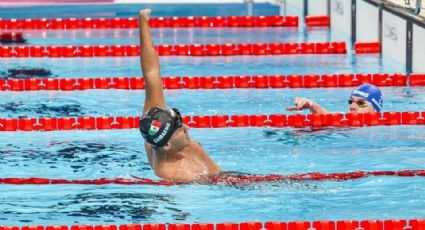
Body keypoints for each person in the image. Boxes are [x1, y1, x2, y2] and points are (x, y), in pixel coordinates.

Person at [137, 9, 221, 183]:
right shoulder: (173, 175)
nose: (187, 128)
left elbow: (151, 74)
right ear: (167, 145)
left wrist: (143, 23)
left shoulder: (155, 124)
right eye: (180, 129)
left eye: (181, 123)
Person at [286, 83, 383, 114]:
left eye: (361, 103)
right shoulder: (345, 121)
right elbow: (328, 116)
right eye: (351, 101)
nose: (352, 107)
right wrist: (312, 105)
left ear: (375, 109)